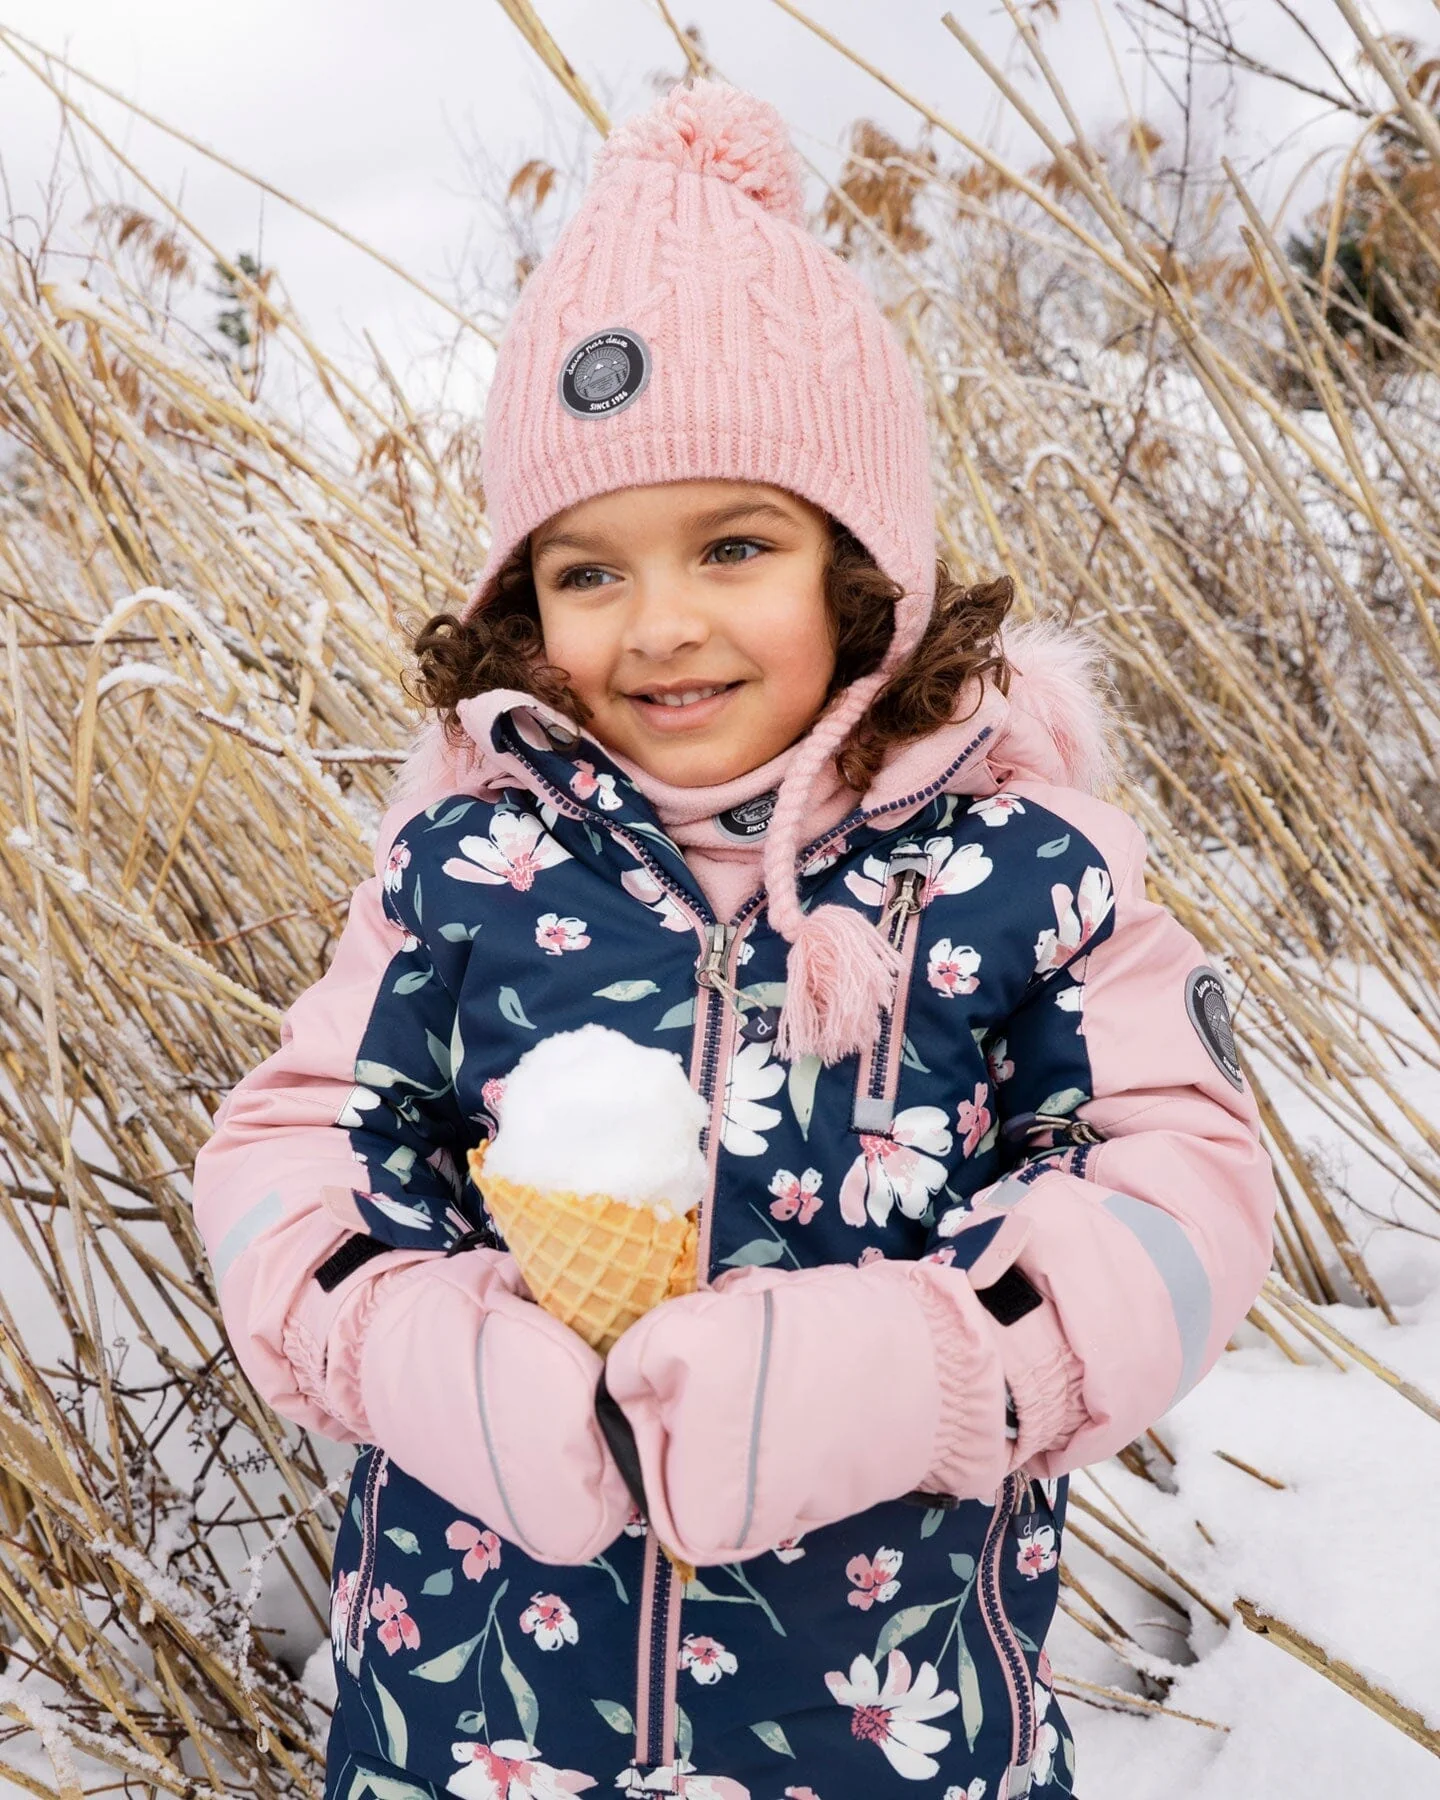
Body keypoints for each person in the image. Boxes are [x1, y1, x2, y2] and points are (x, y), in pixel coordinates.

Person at [191, 79, 1277, 1800]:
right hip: (468, 1736)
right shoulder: (465, 861)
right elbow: (283, 1158)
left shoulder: (1015, 870)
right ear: (522, 602)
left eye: (737, 545)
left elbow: (1184, 1194)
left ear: (866, 566)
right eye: (589, 570)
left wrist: (927, 1374)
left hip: (887, 1737)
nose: (663, 626)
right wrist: (411, 1345)